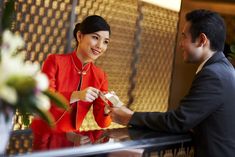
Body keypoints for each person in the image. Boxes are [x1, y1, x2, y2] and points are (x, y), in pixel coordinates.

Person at [109, 9, 235, 157]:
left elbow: (179, 121)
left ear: (202, 40)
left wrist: (130, 117)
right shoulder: (225, 69)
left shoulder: (213, 74)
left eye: (184, 37)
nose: (180, 44)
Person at [31, 15, 112, 136]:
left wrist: (107, 110)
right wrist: (77, 95)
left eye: (105, 42)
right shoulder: (54, 61)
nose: (100, 46)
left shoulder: (100, 76)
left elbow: (102, 123)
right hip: (42, 135)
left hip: (72, 140)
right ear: (80, 36)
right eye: (95, 37)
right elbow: (45, 98)